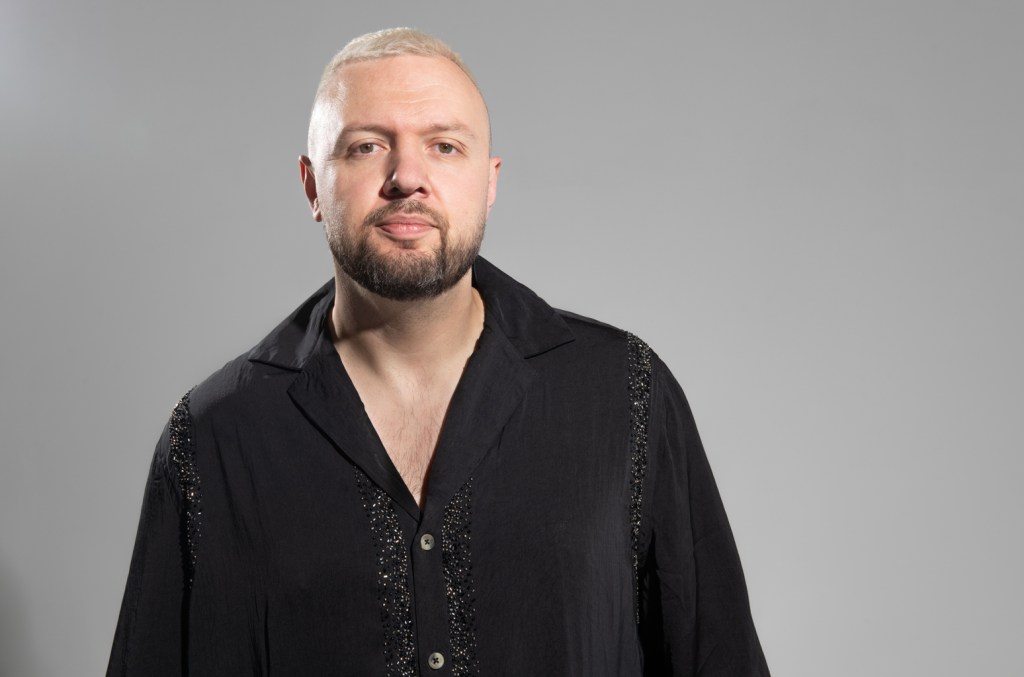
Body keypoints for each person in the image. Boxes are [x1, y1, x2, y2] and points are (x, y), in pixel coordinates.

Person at [107, 27, 770, 676]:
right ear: (312, 187)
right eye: (367, 146)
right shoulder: (213, 438)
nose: (407, 177)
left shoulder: (625, 395)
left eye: (445, 146)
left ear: (489, 182)